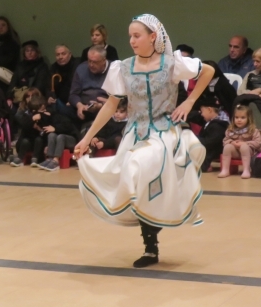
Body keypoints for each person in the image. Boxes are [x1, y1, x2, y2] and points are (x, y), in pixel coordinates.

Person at [75, 14, 213, 268]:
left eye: (137, 35)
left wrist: (189, 101)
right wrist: (87, 138)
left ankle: (156, 222)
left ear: (153, 37)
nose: (132, 40)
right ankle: (150, 247)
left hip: (165, 132)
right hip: (135, 133)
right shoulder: (123, 67)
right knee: (137, 185)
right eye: (130, 36)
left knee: (137, 165)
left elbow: (208, 71)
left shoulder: (172, 64)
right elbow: (111, 106)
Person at [69, 47, 110, 127]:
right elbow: (73, 94)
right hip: (84, 108)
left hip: (107, 108)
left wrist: (102, 105)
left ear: (103, 60)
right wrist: (79, 105)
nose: (91, 65)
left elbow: (121, 99)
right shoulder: (81, 68)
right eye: (89, 61)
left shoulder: (114, 69)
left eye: (95, 62)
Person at [218, 105, 261, 179]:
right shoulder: (230, 130)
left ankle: (246, 170)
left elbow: (258, 142)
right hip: (236, 153)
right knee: (227, 147)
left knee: (244, 147)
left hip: (250, 153)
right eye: (236, 117)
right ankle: (225, 170)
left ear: (249, 118)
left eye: (242, 118)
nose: (239, 120)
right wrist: (232, 142)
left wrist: (245, 143)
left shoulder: (253, 130)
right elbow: (225, 140)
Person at [9, 40, 53, 107]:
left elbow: (40, 86)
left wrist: (26, 99)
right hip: (19, 97)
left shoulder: (42, 66)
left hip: (35, 98)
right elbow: (13, 83)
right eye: (27, 51)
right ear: (24, 53)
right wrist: (9, 98)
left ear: (37, 52)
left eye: (32, 50)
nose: (30, 53)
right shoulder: (20, 66)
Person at [195, 94, 228, 171]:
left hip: (215, 149)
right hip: (208, 146)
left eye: (202, 111)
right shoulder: (209, 122)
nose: (201, 114)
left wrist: (195, 139)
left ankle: (205, 165)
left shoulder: (219, 125)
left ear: (209, 110)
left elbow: (210, 142)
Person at [49, 45, 80, 112]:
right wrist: (49, 97)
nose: (60, 57)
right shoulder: (53, 68)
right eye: (58, 55)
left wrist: (74, 100)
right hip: (60, 102)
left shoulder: (78, 64)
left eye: (63, 54)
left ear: (70, 54)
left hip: (77, 101)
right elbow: (49, 86)